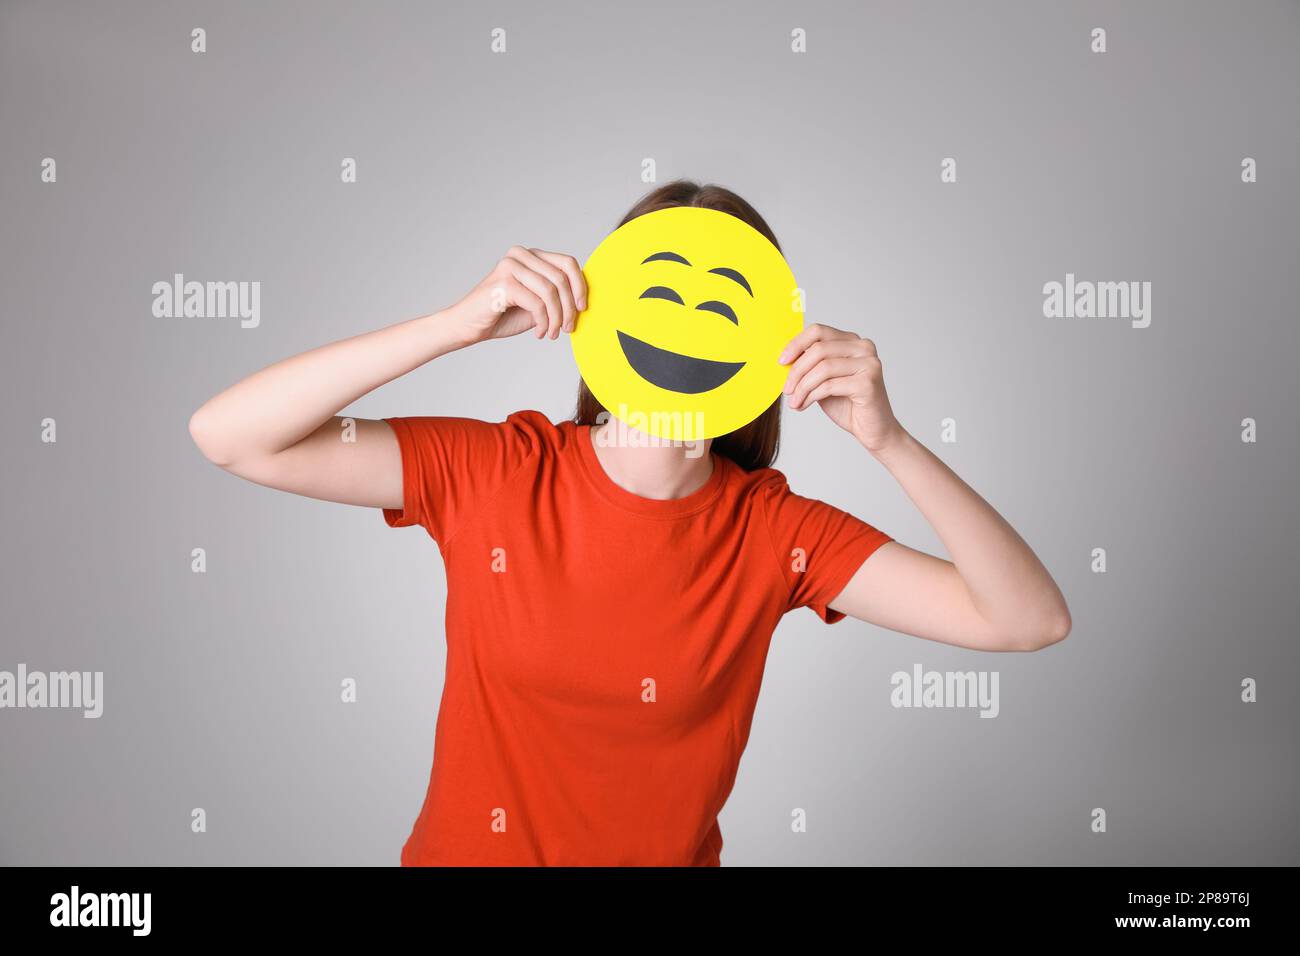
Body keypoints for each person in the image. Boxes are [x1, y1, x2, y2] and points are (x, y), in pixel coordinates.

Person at [188, 180, 1071, 866]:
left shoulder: (774, 532)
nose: (684, 323)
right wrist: (450, 328)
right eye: (656, 297)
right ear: (604, 315)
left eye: (721, 306)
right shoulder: (496, 471)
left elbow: (1028, 619)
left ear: (762, 340)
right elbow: (230, 437)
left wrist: (892, 440)